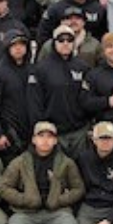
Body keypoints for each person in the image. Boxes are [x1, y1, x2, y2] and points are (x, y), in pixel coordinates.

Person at [28, 24, 92, 155]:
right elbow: (34, 103)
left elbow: (89, 99)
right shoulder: (40, 69)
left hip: (79, 131)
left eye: (69, 40)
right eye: (61, 40)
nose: (65, 43)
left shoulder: (83, 67)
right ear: (54, 42)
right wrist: (42, 130)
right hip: (53, 133)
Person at [0, 30, 33, 161]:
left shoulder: (33, 71)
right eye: (14, 45)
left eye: (22, 44)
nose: (18, 48)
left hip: (31, 135)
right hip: (9, 137)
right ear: (7, 47)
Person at [38, 0, 107, 44]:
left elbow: (104, 35)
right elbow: (43, 35)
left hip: (91, 48)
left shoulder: (98, 9)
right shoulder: (56, 9)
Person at [37, 5, 103, 67]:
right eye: (69, 18)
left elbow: (101, 68)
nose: (73, 21)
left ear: (84, 22)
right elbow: (39, 67)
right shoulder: (49, 45)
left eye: (77, 18)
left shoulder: (95, 45)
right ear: (62, 22)